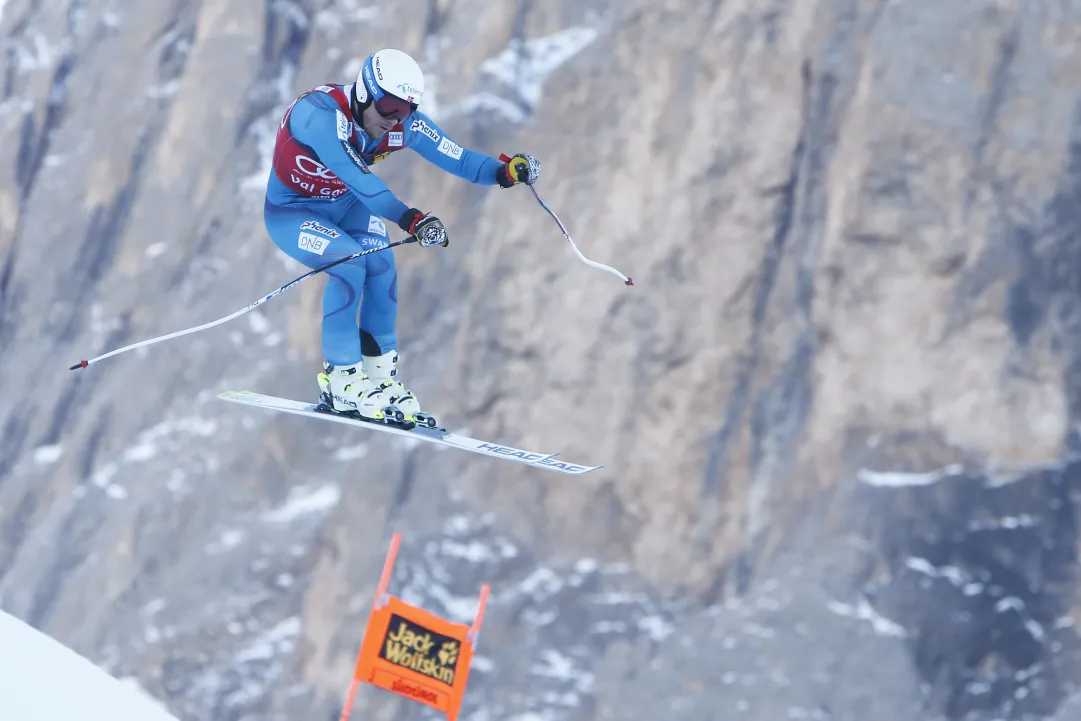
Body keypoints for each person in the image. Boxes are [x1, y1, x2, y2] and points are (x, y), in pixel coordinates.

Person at [264, 48, 540, 426]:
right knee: (349, 261)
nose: (396, 120)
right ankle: (342, 379)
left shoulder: (402, 124)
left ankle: (379, 379)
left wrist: (505, 172)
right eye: (389, 107)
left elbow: (457, 157)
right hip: (294, 212)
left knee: (380, 264)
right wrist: (411, 218)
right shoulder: (319, 115)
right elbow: (361, 181)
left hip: (345, 207)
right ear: (364, 93)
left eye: (406, 110)